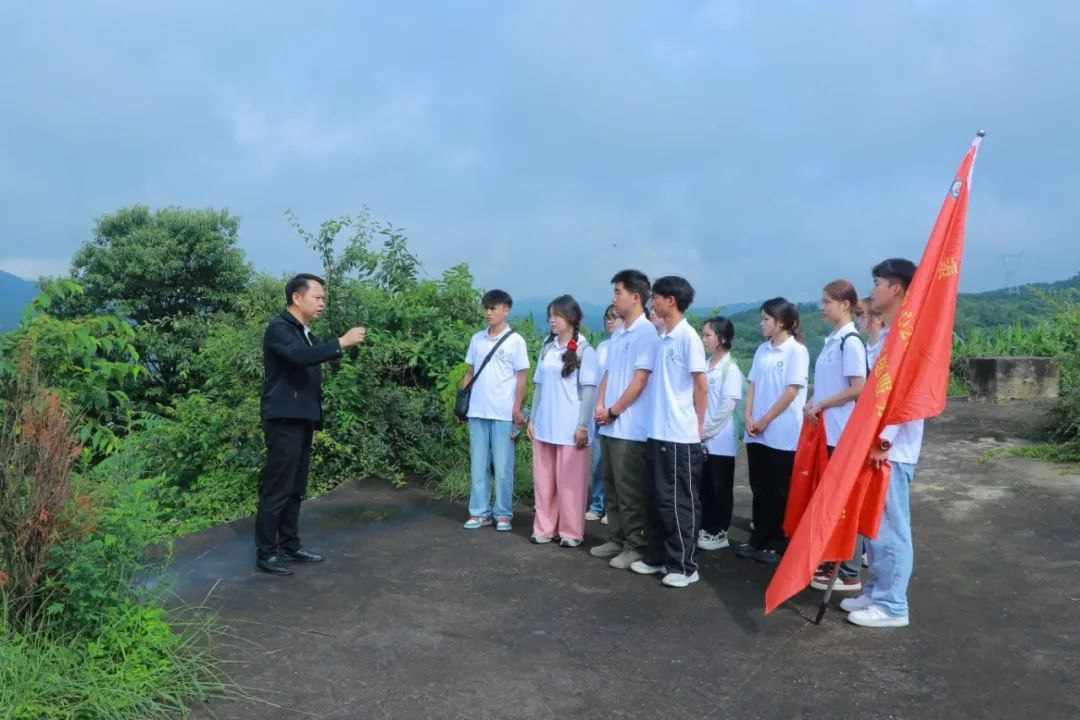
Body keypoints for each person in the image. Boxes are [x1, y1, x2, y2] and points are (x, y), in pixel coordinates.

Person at [256, 273, 367, 576]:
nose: (322, 303)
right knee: (277, 488)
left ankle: (289, 545)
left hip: (302, 418)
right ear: (296, 297)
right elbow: (300, 357)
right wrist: (341, 342)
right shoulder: (279, 329)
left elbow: (311, 356)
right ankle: (267, 553)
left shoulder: (303, 331)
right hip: (284, 418)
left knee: (295, 487)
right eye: (317, 297)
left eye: (323, 298)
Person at [842, 259, 923, 628]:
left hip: (891, 450)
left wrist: (885, 441)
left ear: (896, 288)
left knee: (891, 527)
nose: (872, 290)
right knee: (874, 525)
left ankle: (892, 606)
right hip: (874, 445)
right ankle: (876, 591)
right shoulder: (888, 335)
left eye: (877, 282)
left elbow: (907, 395)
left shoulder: (907, 336)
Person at [629, 276, 708, 588]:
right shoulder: (662, 338)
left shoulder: (688, 337)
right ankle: (657, 556)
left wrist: (697, 427)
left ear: (671, 301)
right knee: (656, 499)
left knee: (678, 502)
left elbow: (701, 386)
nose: (653, 302)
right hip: (657, 432)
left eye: (656, 297)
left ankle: (684, 565)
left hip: (680, 436)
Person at [591, 270, 660, 570]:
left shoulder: (646, 334)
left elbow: (640, 380)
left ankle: (635, 544)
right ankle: (616, 538)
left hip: (631, 427)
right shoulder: (618, 334)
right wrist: (601, 405)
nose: (613, 298)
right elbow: (607, 374)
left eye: (618, 292)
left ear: (635, 297)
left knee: (630, 488)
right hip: (609, 423)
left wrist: (614, 411)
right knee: (612, 485)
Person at [733, 298, 809, 565]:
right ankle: (760, 537)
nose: (761, 323)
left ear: (782, 322)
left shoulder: (796, 351)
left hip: (782, 432)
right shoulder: (762, 350)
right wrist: (749, 416)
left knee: (780, 490)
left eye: (766, 319)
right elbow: (752, 385)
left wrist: (764, 419)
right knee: (760, 486)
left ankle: (778, 541)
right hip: (757, 431)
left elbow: (791, 391)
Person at [804, 280, 868, 593]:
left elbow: (859, 387)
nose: (822, 307)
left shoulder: (850, 342)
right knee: (830, 501)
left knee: (845, 502)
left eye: (827, 301)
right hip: (828, 432)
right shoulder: (833, 340)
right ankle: (832, 562)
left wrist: (823, 403)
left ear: (844, 305)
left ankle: (848, 570)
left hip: (842, 433)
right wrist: (814, 400)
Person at [528, 296, 600, 547]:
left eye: (557, 315)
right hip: (545, 425)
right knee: (544, 483)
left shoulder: (584, 351)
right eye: (550, 315)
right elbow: (539, 386)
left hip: (570, 428)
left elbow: (589, 391)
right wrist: (533, 418)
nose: (552, 320)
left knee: (571, 485)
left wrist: (583, 425)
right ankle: (544, 528)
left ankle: (571, 531)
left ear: (572, 318)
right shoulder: (547, 348)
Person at [461, 289, 530, 532]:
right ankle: (479, 512)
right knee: (478, 466)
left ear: (506, 310)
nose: (488, 313)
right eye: (486, 308)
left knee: (502, 468)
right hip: (477, 412)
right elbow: (469, 373)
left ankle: (503, 513)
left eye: (493, 308)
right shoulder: (477, 339)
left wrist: (516, 408)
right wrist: (462, 405)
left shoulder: (515, 341)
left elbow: (522, 377)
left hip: (502, 413)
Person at [698, 316, 744, 552]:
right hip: (702, 436)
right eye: (703, 334)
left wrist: (706, 430)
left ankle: (719, 532)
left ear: (722, 338)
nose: (703, 339)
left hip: (720, 438)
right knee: (704, 486)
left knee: (720, 486)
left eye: (708, 335)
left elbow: (727, 407)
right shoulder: (705, 365)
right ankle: (705, 527)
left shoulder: (730, 368)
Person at [586, 306, 622, 524]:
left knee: (616, 464)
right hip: (600, 411)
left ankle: (613, 508)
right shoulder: (602, 347)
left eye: (614, 318)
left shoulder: (626, 345)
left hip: (617, 411)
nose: (610, 322)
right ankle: (597, 504)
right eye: (607, 318)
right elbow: (595, 379)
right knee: (599, 462)